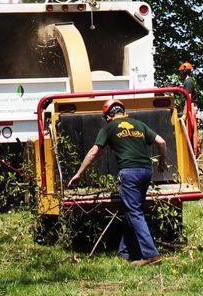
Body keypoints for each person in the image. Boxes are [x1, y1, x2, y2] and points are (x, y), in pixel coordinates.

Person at [66, 98, 166, 266]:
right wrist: (162, 161)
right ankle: (125, 252)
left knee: (134, 212)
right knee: (132, 211)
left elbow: (93, 152)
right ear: (124, 113)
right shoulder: (139, 125)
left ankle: (151, 255)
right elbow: (161, 141)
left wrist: (79, 174)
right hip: (146, 171)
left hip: (130, 173)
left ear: (107, 117)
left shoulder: (109, 127)